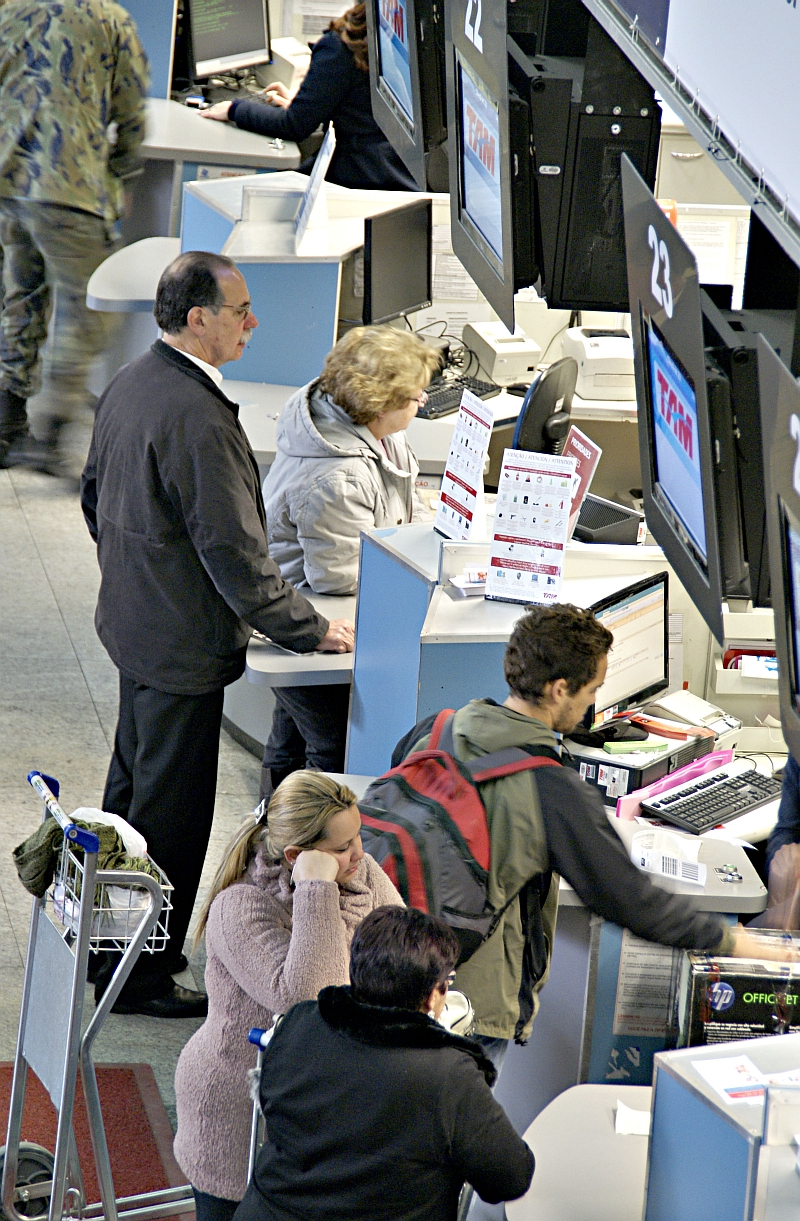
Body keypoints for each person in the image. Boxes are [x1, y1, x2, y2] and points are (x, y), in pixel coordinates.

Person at [80, 251, 354, 1019]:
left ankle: (108, 948)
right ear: (198, 318)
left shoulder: (134, 380)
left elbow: (93, 496)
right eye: (240, 310)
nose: (253, 321)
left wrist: (140, 570)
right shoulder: (198, 417)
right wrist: (309, 628)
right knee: (168, 816)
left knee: (130, 797)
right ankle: (141, 974)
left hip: (134, 624)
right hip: (178, 646)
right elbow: (234, 554)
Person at [392, 603, 798, 1069]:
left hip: (396, 970)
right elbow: (627, 895)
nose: (594, 703)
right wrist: (733, 942)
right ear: (559, 689)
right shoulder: (549, 786)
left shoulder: (435, 728)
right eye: (592, 690)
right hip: (472, 1007)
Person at [173, 772, 403, 1221]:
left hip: (321, 1106)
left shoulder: (362, 873)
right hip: (239, 1114)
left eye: (359, 837)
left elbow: (404, 952)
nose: (359, 854)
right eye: (341, 848)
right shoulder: (241, 906)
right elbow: (314, 998)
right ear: (299, 856)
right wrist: (318, 890)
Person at [233, 905, 534, 1221]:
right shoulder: (449, 1074)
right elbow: (510, 1177)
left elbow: (273, 1104)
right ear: (433, 996)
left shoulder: (299, 1023)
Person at [259, 325, 440, 800]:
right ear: (381, 404)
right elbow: (338, 576)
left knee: (291, 737)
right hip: (311, 628)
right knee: (328, 749)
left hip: (319, 619)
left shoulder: (373, 430)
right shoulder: (336, 478)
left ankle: (271, 842)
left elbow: (408, 497)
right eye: (414, 395)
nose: (423, 400)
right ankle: (290, 847)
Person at [0, 0, 148, 475]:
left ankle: (7, 420)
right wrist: (121, 170)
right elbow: (130, 109)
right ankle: (50, 432)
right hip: (68, 185)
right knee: (88, 311)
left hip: (9, 177)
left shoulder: (12, 10)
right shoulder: (110, 19)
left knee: (22, 292)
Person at [200, 3, 418, 191]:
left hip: (359, 180)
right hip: (391, 176)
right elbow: (358, 108)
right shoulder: (391, 38)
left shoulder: (343, 45)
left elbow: (293, 125)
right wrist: (308, 103)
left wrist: (234, 109)